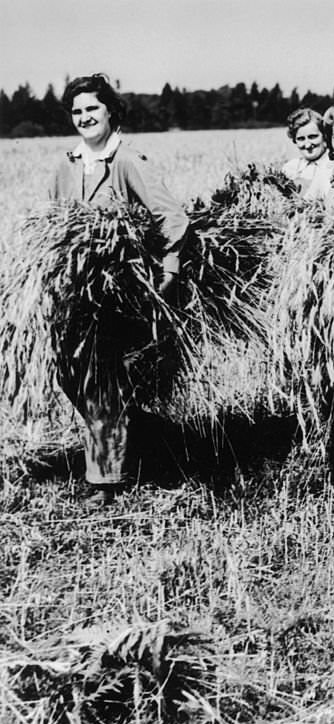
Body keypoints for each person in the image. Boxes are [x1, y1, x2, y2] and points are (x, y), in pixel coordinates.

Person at [49, 73, 189, 504]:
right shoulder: (66, 165)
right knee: (68, 374)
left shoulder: (127, 160)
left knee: (100, 380)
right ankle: (150, 436)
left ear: (111, 111)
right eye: (77, 111)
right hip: (76, 294)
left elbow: (172, 216)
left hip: (120, 292)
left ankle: (104, 481)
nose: (85, 117)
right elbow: (54, 225)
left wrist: (168, 270)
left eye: (92, 108)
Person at [282, 108, 334, 200]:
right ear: (294, 140)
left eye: (312, 137)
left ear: (324, 136)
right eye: (301, 139)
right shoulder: (291, 168)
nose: (307, 145)